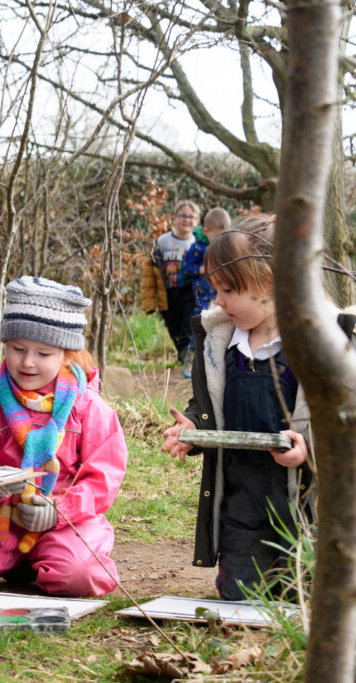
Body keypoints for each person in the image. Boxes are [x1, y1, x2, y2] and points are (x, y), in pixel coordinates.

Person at [161, 214, 354, 600]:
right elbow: (210, 404)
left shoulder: (323, 344)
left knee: (307, 592)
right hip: (241, 496)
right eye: (214, 288)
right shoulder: (222, 343)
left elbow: (345, 421)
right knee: (240, 594)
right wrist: (195, 431)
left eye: (228, 289)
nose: (218, 300)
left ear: (269, 283)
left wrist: (308, 450)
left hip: (307, 501)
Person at [0, 277, 127, 597]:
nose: (28, 362)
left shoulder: (89, 409)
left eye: (43, 353)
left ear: (66, 356)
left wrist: (60, 510)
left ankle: (44, 559)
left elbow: (103, 478)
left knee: (80, 576)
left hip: (64, 521)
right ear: (6, 346)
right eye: (18, 349)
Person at [141, 200, 199, 366]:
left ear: (196, 221)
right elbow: (149, 273)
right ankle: (183, 354)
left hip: (189, 292)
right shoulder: (162, 242)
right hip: (168, 293)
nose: (186, 220)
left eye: (191, 217)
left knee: (188, 325)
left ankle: (188, 359)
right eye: (183, 216)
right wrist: (149, 299)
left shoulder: (197, 244)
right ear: (174, 218)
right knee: (173, 327)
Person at [179, 207, 231, 378]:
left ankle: (214, 361)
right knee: (200, 323)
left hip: (220, 295)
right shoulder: (197, 248)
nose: (219, 240)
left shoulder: (226, 246)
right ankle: (191, 359)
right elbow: (185, 268)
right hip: (202, 294)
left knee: (219, 325)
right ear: (206, 231)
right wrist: (202, 269)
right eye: (216, 236)